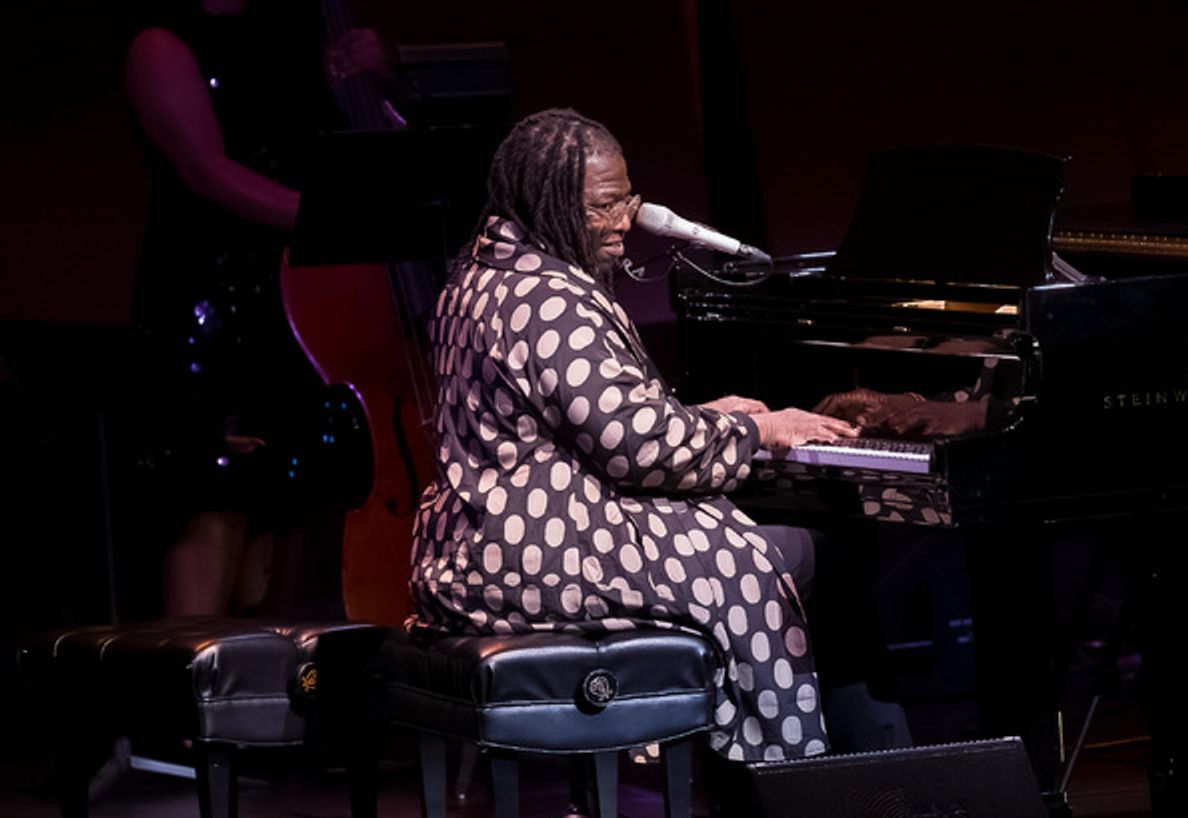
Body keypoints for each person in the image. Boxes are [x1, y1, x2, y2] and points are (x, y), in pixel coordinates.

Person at [409, 107, 916, 762]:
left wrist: (709, 417)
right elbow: (638, 448)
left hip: (479, 547)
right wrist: (761, 427)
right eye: (604, 206)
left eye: (628, 199)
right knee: (813, 556)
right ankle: (832, 782)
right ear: (548, 204)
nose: (627, 221)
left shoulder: (480, 278)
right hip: (548, 554)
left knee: (772, 545)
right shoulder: (552, 298)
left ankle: (822, 779)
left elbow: (577, 422)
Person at [123, 0, 391, 617]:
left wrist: (380, 76)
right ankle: (196, 697)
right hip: (211, 301)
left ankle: (269, 697)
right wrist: (335, 222)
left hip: (297, 298)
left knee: (281, 508)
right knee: (214, 500)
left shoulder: (295, 30)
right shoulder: (161, 41)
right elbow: (207, 171)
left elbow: (356, 142)